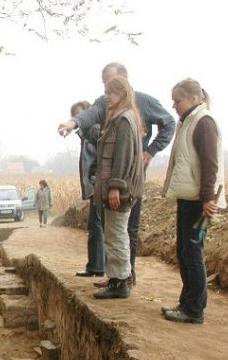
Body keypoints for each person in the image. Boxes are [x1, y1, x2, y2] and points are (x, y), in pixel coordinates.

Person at [58, 62, 175, 287]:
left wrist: (150, 151)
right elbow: (89, 114)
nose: (106, 91)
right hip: (114, 178)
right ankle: (117, 275)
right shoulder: (107, 105)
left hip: (126, 179)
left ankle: (125, 277)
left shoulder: (134, 111)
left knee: (125, 229)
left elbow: (166, 125)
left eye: (111, 85)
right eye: (104, 86)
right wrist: (73, 123)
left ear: (124, 81)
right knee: (112, 230)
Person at [160, 79, 226, 324]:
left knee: (192, 252)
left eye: (178, 100)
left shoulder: (203, 122)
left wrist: (208, 198)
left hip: (199, 200)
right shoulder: (188, 121)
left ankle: (194, 309)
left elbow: (210, 163)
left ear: (194, 99)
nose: (174, 105)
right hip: (188, 197)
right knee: (184, 251)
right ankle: (186, 302)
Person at [92, 76, 144, 300]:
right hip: (120, 188)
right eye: (105, 91)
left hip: (119, 191)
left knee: (116, 235)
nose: (107, 96)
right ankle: (117, 278)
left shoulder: (123, 120)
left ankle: (120, 282)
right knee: (115, 234)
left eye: (111, 92)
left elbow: (122, 156)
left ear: (122, 94)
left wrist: (115, 186)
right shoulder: (124, 118)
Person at [70, 100, 104, 278]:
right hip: (95, 186)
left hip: (97, 186)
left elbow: (100, 159)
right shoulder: (87, 134)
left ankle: (97, 267)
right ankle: (95, 265)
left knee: (96, 225)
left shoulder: (94, 131)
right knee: (95, 225)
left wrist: (94, 177)